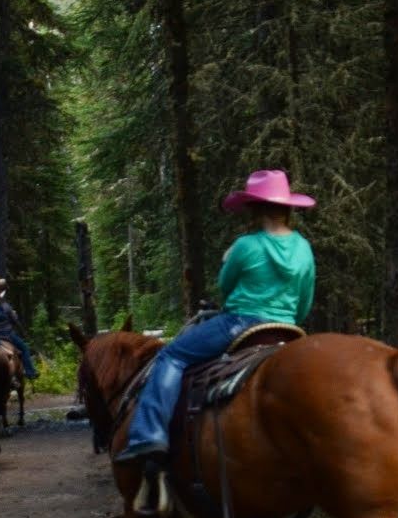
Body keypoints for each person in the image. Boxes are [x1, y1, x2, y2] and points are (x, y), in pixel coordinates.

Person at [115, 169, 316, 467]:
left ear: (254, 208)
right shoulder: (303, 247)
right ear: (288, 208)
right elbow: (305, 300)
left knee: (172, 356)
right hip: (288, 329)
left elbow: (226, 285)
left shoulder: (246, 246)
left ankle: (149, 434)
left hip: (241, 324)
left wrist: (228, 259)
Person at [0, 274, 41, 382]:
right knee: (24, 348)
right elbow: (15, 322)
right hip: (7, 335)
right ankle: (30, 372)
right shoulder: (6, 306)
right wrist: (23, 332)